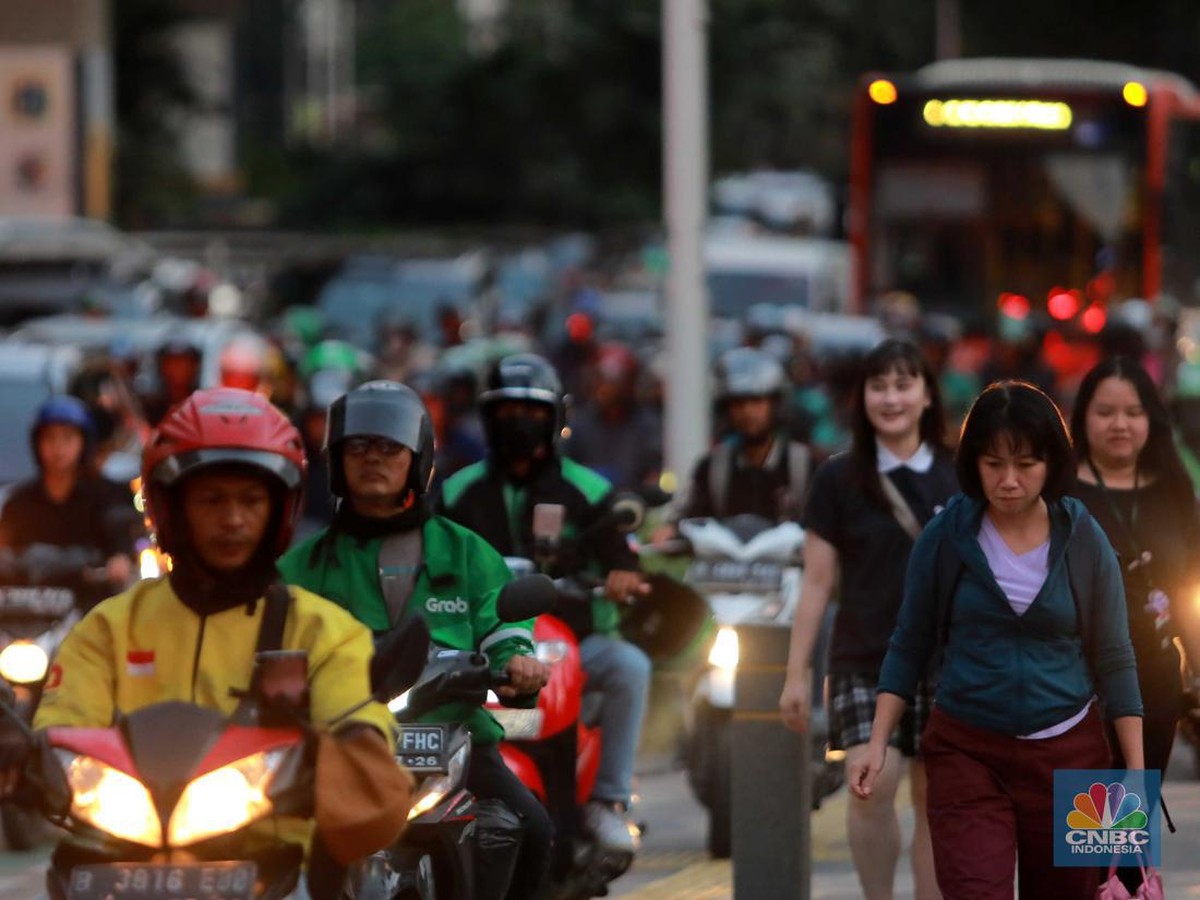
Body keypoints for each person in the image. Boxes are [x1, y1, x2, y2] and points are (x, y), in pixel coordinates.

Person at [26, 387, 403, 899]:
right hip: (122, 857)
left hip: (281, 861)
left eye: (251, 500)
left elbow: (362, 734)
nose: (233, 520)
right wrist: (27, 755)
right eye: (210, 500)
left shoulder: (326, 633)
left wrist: (349, 747)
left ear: (279, 509)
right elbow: (62, 732)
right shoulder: (108, 627)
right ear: (170, 507)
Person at [851, 380, 1144, 899]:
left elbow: (1117, 657)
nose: (1009, 481)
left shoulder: (1084, 536)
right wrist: (877, 741)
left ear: (1052, 462)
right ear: (972, 463)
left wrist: (1136, 778)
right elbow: (908, 643)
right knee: (973, 889)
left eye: (1026, 464)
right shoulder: (944, 536)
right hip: (967, 751)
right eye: (993, 464)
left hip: (1076, 755)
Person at [277, 380, 553, 900]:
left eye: (388, 448)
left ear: (417, 457)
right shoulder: (300, 566)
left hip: (454, 736)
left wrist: (517, 663)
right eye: (357, 447)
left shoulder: (468, 552)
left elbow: (503, 625)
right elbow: (268, 641)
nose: (373, 459)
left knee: (532, 827)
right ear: (336, 460)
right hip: (339, 745)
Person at [437, 353, 651, 854]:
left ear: (556, 419)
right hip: (478, 644)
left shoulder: (589, 489)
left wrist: (623, 575)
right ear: (488, 418)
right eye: (508, 412)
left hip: (572, 639)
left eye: (533, 414)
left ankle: (607, 801)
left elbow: (623, 558)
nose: (520, 423)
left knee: (629, 667)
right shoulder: (456, 491)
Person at [779, 338, 956, 900]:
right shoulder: (837, 479)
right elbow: (816, 582)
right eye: (878, 386)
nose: (891, 398)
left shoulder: (959, 474)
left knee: (936, 802)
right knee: (869, 786)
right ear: (862, 398)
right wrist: (795, 672)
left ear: (928, 395)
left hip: (946, 663)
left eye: (904, 384)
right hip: (863, 663)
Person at [1068, 356, 1200, 891]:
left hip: (1155, 683)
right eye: (1105, 412)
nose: (1119, 424)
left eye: (1133, 412)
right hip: (1077, 680)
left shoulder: (1174, 489)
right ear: (1083, 418)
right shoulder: (1059, 493)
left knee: (1125, 813)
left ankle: (1121, 886)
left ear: (1152, 420)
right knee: (1094, 825)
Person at [654, 346, 811, 541]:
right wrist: (670, 530)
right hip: (722, 570)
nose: (747, 412)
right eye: (738, 403)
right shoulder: (712, 467)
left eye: (757, 401)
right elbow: (684, 517)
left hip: (793, 570)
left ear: (775, 404)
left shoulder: (805, 465)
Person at [0, 396, 136, 611]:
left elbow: (121, 547)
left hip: (89, 610)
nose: (58, 448)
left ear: (84, 443)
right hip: (27, 615)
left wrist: (119, 562)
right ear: (37, 443)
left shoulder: (107, 498)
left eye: (67, 438)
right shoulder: (18, 502)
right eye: (50, 438)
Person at [565, 341, 663, 492]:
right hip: (587, 502)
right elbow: (567, 466)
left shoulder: (648, 425)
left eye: (614, 382)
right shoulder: (580, 424)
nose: (606, 389)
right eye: (602, 380)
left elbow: (655, 471)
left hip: (635, 503)